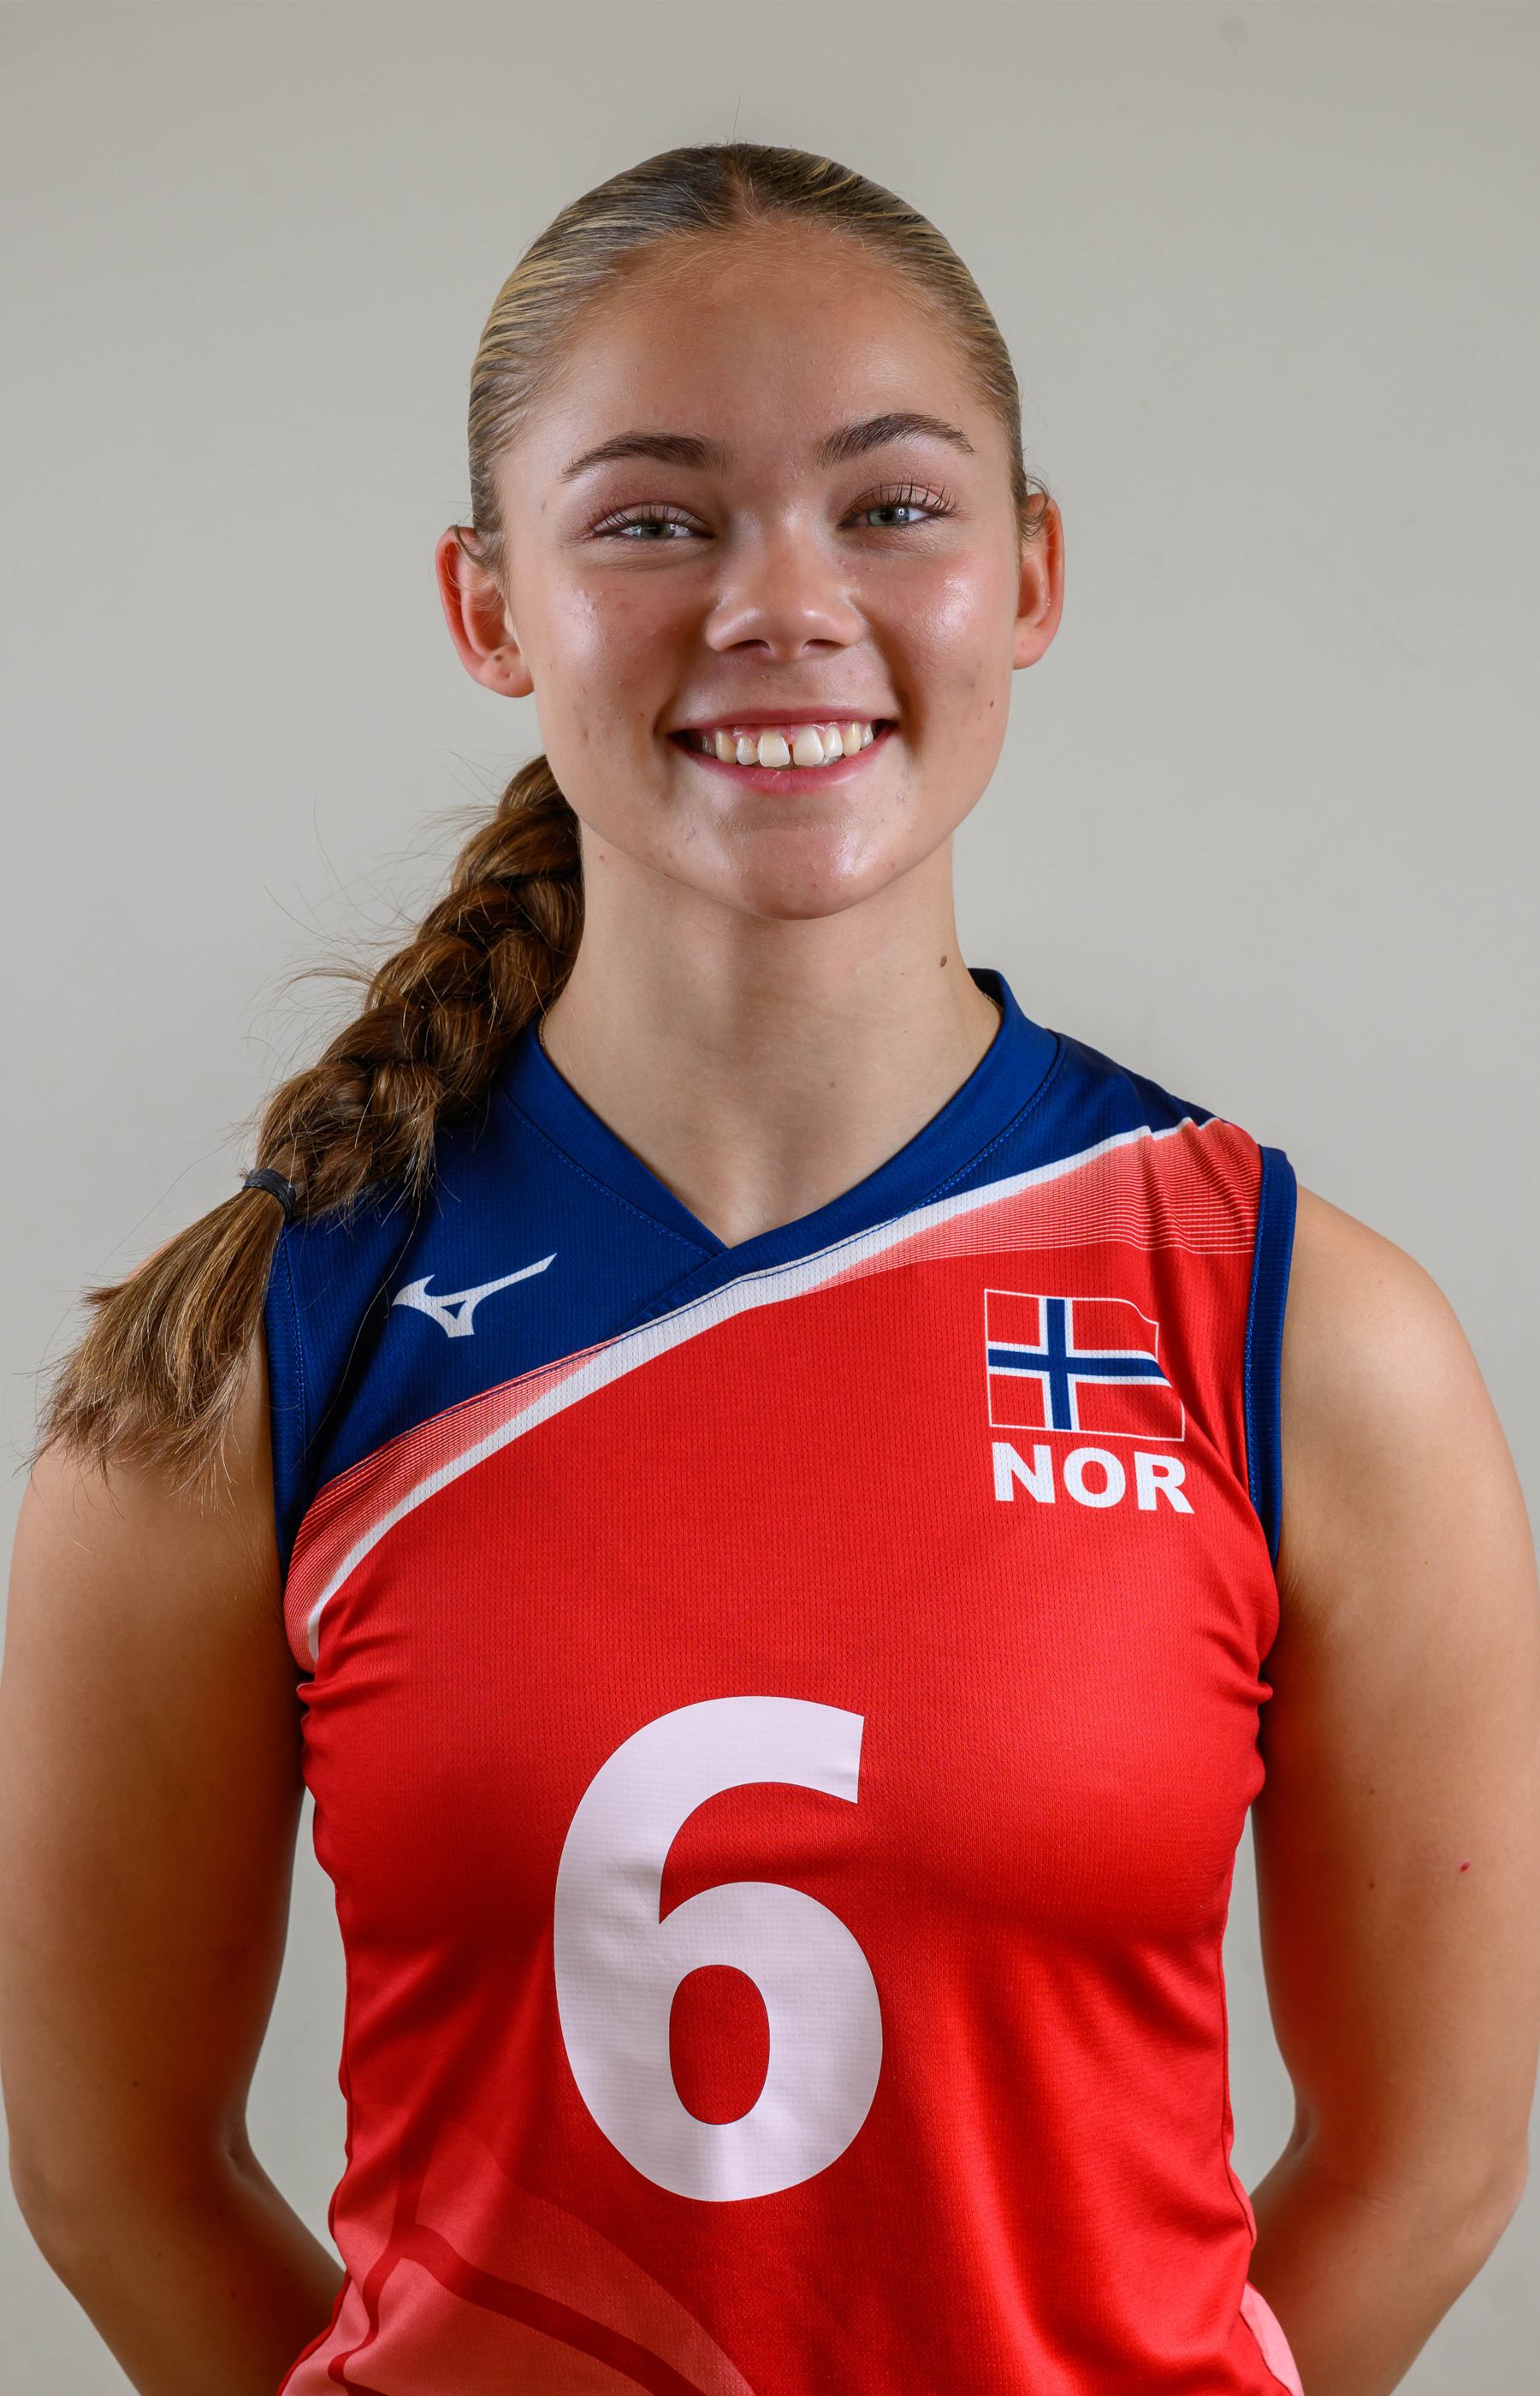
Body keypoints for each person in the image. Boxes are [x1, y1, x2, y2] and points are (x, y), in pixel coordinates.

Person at [2, 142, 1537, 2396]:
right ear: (489, 610)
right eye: (653, 520)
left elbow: (1432, 2159)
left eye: (891, 506)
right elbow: (109, 2168)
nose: (783, 606)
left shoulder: (1299, 1335)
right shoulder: (260, 1357)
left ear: (1032, 573)